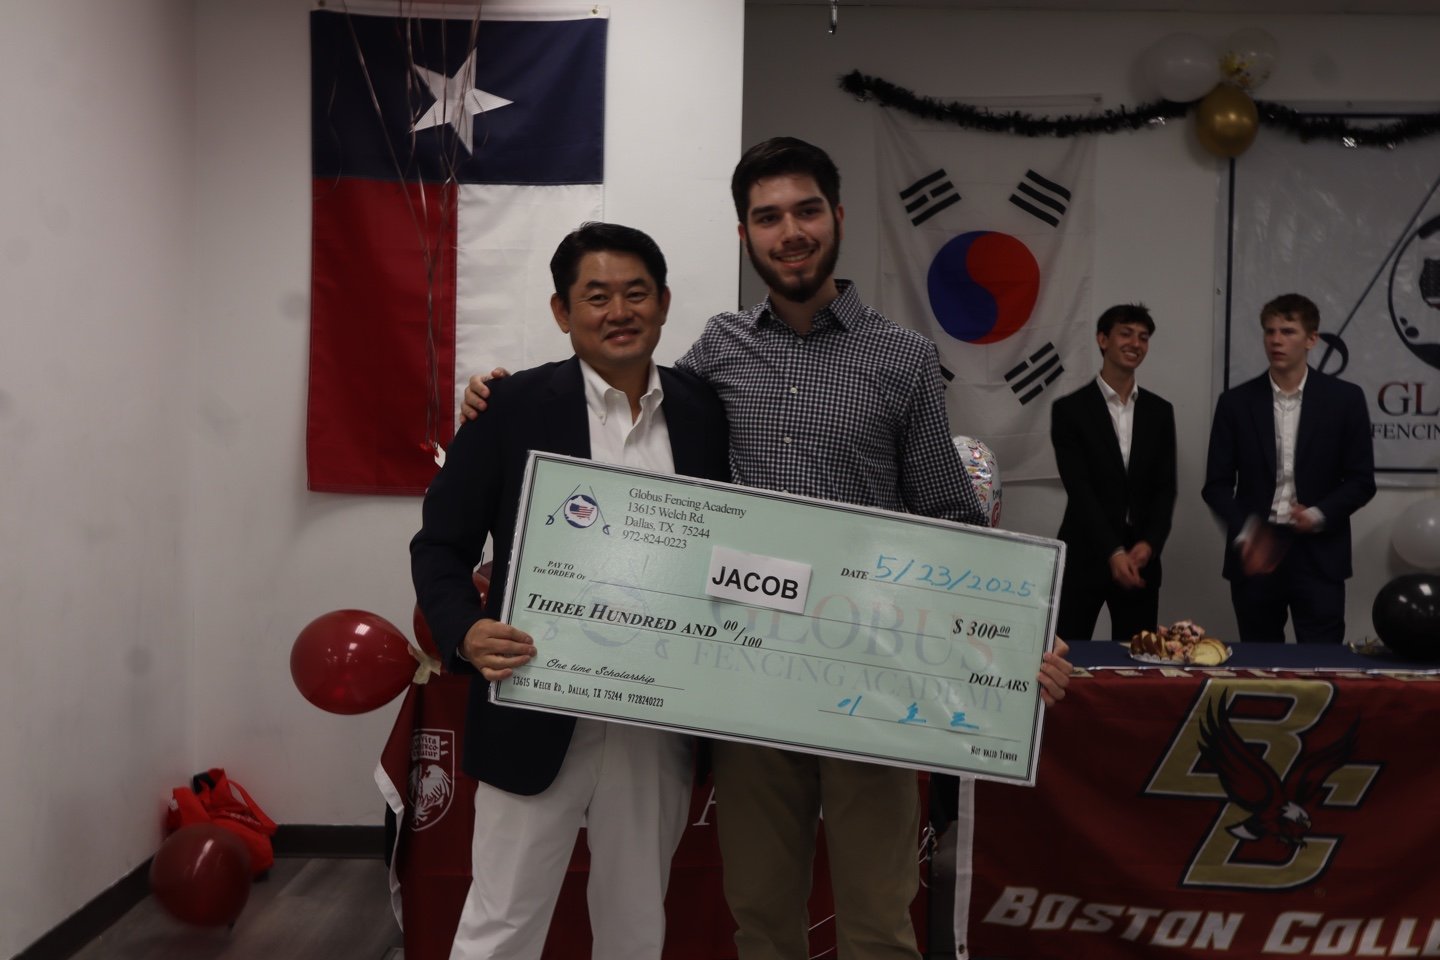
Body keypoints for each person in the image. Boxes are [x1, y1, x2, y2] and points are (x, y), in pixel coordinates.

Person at [464, 138, 1073, 960]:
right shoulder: (716, 351)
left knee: (878, 926)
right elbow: (631, 420)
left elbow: (949, 516)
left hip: (872, 681)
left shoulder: (902, 358)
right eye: (768, 217)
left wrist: (1018, 635)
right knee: (761, 921)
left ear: (838, 217)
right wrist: (495, 398)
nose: (790, 232)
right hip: (745, 685)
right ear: (745, 234)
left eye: (806, 211)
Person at [411, 222, 730, 960]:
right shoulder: (509, 408)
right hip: (534, 702)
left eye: (636, 293)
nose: (619, 311)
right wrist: (464, 630)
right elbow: (440, 545)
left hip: (657, 720)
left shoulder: (704, 410)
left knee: (636, 925)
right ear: (562, 311)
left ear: (663, 302)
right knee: (501, 923)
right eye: (596, 296)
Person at [1201, 293, 1375, 644]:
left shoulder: (1345, 399)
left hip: (1319, 553)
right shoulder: (1235, 402)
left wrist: (1318, 514)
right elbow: (1216, 485)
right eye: (1270, 331)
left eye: (1287, 331)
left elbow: (1361, 480)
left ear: (1312, 339)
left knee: (1322, 661)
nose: (1276, 340)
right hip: (1257, 553)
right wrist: (1247, 532)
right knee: (1259, 661)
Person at [1050, 303, 1176, 642]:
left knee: (1138, 657)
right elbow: (1079, 489)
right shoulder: (1069, 411)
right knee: (1069, 655)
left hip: (1140, 562)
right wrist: (1113, 551)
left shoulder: (1160, 412)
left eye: (1143, 337)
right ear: (1103, 339)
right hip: (1086, 554)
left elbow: (1165, 488)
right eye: (1126, 334)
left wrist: (1150, 544)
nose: (1135, 343)